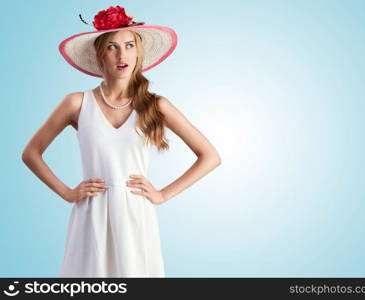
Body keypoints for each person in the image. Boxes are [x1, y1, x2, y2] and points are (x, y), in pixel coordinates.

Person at [21, 5, 221, 277]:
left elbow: (210, 156)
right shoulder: (77, 103)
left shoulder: (156, 105)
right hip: (90, 215)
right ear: (100, 54)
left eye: (129, 45)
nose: (122, 54)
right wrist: (68, 193)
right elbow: (31, 153)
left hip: (135, 216)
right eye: (112, 47)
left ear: (138, 53)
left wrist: (162, 195)